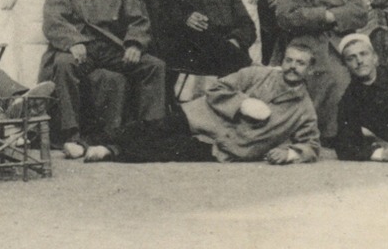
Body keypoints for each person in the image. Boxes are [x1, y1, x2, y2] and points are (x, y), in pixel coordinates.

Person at [82, 44, 322, 165]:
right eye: (288, 60)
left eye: (300, 63)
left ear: (309, 71)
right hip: (201, 116)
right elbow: (217, 88)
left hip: (225, 147)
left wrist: (290, 153)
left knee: (165, 150)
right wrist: (242, 103)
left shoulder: (304, 109)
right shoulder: (257, 75)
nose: (292, 66)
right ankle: (86, 143)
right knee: (150, 127)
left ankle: (107, 152)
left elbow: (311, 144)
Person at [40, 0, 165, 157]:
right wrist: (72, 42)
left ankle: (150, 131)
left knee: (154, 66)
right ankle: (71, 135)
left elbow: (139, 21)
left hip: (112, 49)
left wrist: (135, 44)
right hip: (81, 49)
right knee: (64, 64)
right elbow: (53, 20)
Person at [273, 0, 370, 142]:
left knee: (348, 73)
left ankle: (341, 132)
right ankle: (316, 132)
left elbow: (360, 12)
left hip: (341, 41)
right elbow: (286, 16)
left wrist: (329, 16)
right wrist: (324, 15)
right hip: (305, 41)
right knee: (326, 74)